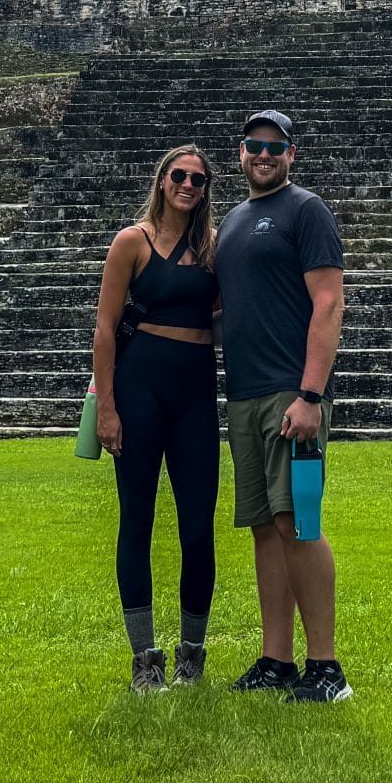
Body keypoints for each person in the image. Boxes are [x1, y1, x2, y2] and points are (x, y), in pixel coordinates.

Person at [212, 110, 350, 703]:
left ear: (291, 153)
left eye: (274, 147)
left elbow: (329, 303)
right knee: (265, 529)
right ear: (240, 153)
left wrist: (311, 395)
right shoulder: (233, 221)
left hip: (291, 394)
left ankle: (327, 667)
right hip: (244, 395)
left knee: (300, 521)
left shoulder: (306, 210)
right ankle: (277, 660)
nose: (262, 155)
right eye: (253, 145)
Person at [91, 143, 221, 694]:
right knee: (136, 522)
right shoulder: (132, 242)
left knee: (198, 527)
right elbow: (103, 328)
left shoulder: (215, 248)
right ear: (162, 180)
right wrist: (109, 410)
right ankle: (144, 657)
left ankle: (192, 650)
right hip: (140, 388)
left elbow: (225, 318)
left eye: (198, 178)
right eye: (179, 175)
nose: (188, 185)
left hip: (195, 389)